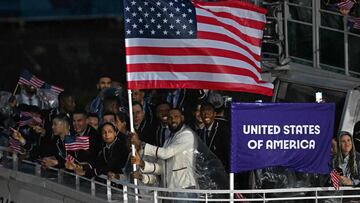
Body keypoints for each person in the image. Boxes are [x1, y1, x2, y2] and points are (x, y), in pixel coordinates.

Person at [131, 108, 198, 190]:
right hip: (169, 190)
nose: (173, 120)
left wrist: (141, 144)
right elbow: (161, 168)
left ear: (182, 118)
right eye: (170, 118)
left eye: (176, 116)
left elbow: (165, 154)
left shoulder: (186, 134)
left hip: (184, 188)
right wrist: (141, 163)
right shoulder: (168, 140)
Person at [200, 102, 230, 171]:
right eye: (204, 112)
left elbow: (228, 153)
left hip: (221, 170)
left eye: (209, 112)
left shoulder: (222, 130)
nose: (206, 115)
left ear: (214, 114)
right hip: (207, 171)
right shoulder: (201, 132)